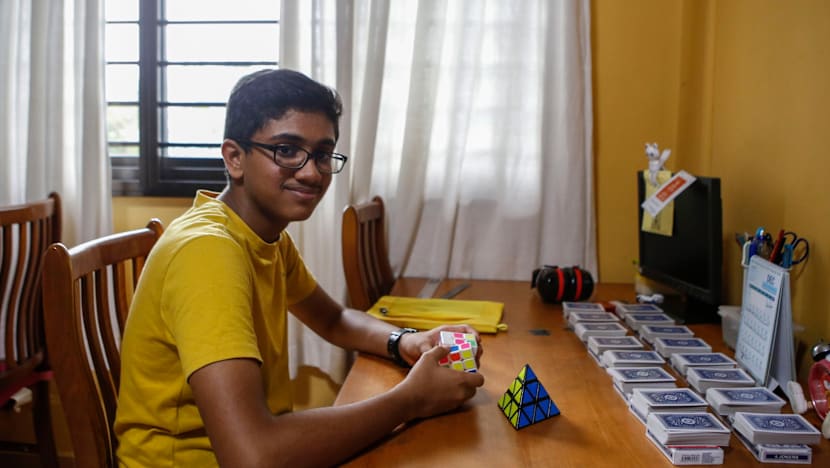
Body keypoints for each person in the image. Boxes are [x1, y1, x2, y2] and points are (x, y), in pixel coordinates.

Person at [114, 69, 485, 467]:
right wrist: (410, 400)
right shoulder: (207, 251)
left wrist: (406, 341)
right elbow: (252, 456)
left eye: (323, 154)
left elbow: (334, 319)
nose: (311, 173)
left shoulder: (264, 236)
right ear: (235, 158)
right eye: (286, 150)